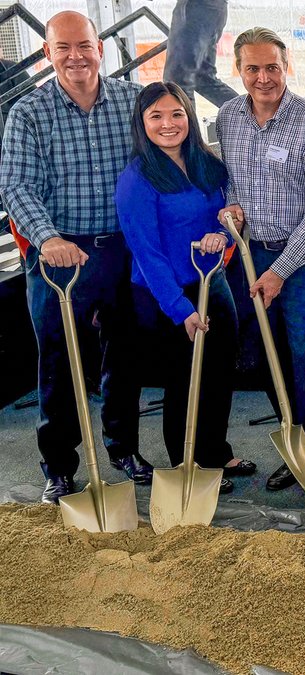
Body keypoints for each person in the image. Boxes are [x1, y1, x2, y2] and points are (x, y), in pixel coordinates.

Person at [0, 11, 153, 504]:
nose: (75, 56)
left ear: (100, 48)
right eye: (62, 48)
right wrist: (47, 238)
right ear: (48, 54)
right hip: (57, 253)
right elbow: (17, 186)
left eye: (83, 45)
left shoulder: (133, 103)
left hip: (121, 250)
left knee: (124, 357)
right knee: (58, 362)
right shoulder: (28, 112)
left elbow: (164, 165)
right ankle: (60, 466)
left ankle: (123, 448)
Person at [216, 27, 305, 509]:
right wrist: (232, 210)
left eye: (272, 66)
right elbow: (230, 184)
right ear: (239, 69)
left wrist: (282, 268)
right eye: (253, 68)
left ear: (286, 65)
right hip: (252, 256)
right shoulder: (227, 118)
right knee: (269, 359)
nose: (263, 77)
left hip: (304, 260)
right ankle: (295, 455)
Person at [115, 81, 255, 493]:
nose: (168, 124)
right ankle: (187, 462)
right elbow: (147, 253)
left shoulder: (206, 164)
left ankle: (214, 450)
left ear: (189, 118)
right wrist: (181, 309)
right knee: (183, 379)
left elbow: (230, 216)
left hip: (212, 282)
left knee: (218, 371)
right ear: (142, 123)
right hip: (166, 294)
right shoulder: (137, 179)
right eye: (156, 116)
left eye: (176, 114)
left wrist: (223, 235)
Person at [163, 0, 238, 108]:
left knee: (178, 81)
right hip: (210, 9)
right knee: (201, 78)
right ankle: (254, 117)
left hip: (196, 8)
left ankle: (253, 117)